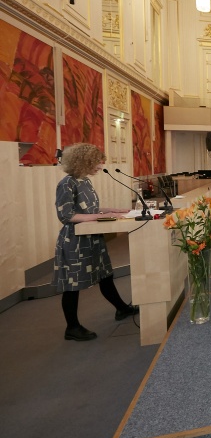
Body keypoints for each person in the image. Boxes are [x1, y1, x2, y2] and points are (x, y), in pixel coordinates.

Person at [53, 143, 138, 342]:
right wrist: (101, 216)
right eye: (97, 162)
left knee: (105, 274)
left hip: (93, 237)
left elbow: (91, 210)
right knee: (72, 285)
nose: (100, 166)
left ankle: (122, 309)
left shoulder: (85, 181)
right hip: (75, 240)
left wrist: (113, 211)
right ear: (84, 162)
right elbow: (67, 216)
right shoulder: (67, 183)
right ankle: (72, 327)